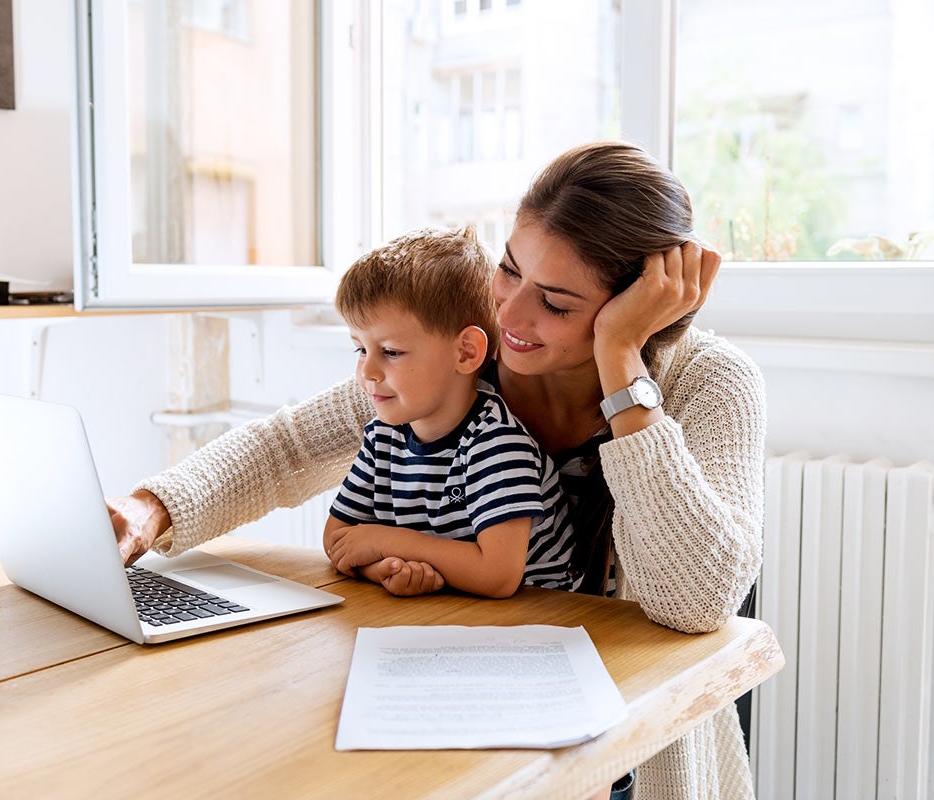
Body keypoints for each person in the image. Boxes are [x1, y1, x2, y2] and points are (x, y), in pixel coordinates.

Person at [107, 140, 767, 800]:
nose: (508, 315)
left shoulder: (710, 384)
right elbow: (286, 448)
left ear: (641, 307)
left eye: (557, 303)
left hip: (621, 758)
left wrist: (620, 359)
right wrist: (149, 510)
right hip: (464, 714)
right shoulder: (465, 355)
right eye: (509, 271)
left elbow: (696, 601)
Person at [324, 225, 578, 598]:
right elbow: (339, 539)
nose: (367, 372)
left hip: (542, 623)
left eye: (391, 352)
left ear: (466, 353)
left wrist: (387, 541)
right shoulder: (383, 437)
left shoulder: (498, 444)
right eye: (360, 349)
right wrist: (384, 566)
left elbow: (497, 576)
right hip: (455, 616)